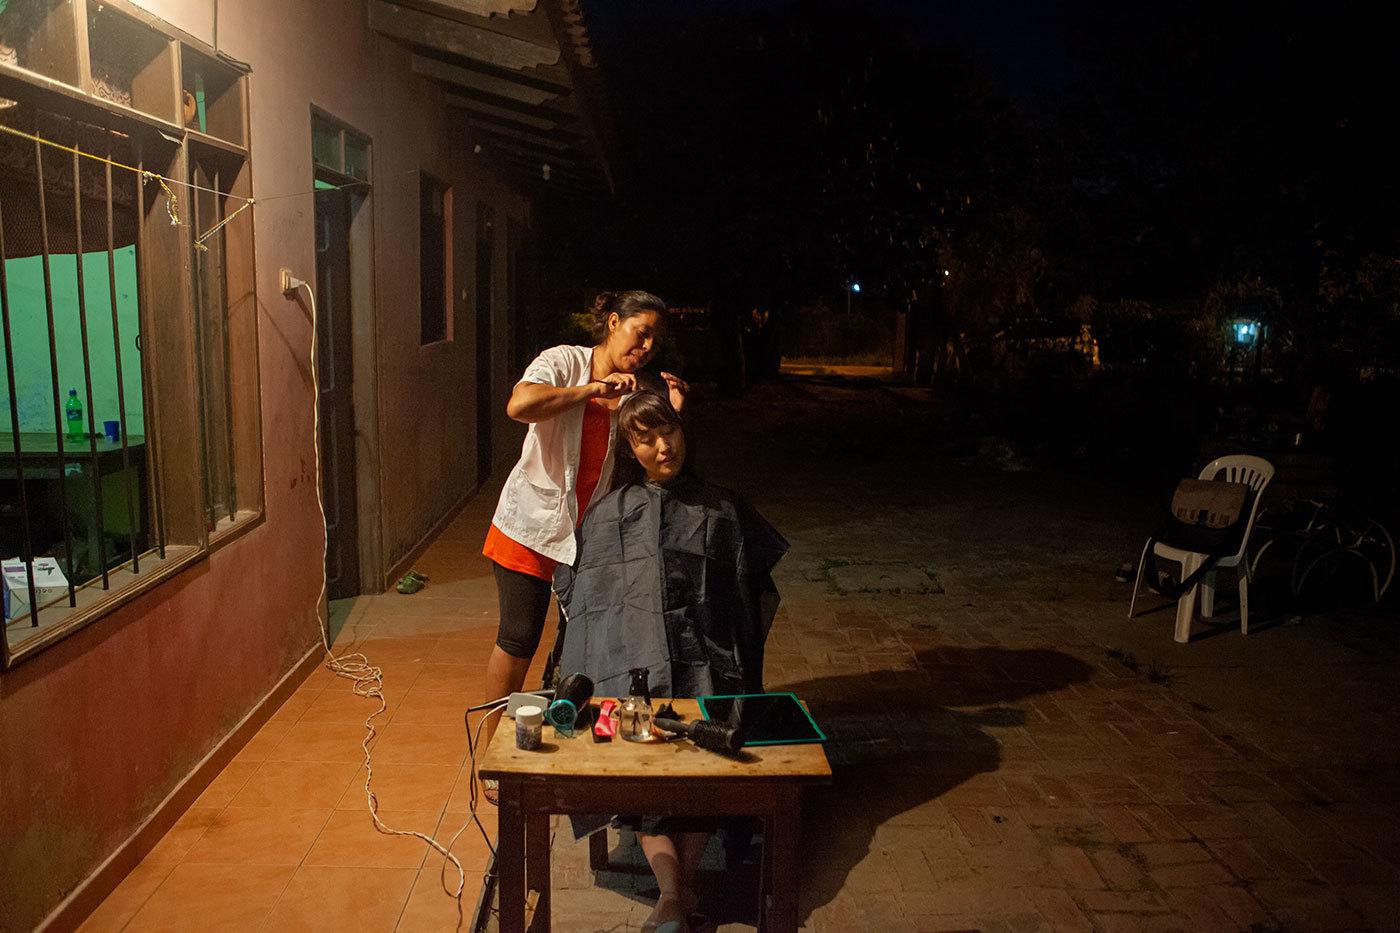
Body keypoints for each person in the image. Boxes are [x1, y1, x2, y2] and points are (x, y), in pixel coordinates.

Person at [554, 391, 788, 933]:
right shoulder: (607, 514)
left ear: (685, 430)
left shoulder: (721, 507)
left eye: (671, 432)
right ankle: (676, 891)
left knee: (709, 750)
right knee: (643, 756)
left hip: (708, 662)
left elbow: (748, 598)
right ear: (628, 447)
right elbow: (588, 609)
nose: (663, 447)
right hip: (634, 676)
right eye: (645, 438)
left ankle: (674, 900)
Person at [481, 291, 687, 756]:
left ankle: (560, 733)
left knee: (582, 640)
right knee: (518, 638)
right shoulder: (563, 361)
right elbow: (520, 405)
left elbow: (656, 456)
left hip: (589, 534)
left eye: (656, 338)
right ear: (614, 323)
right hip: (530, 527)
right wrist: (592, 391)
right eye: (642, 332)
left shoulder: (637, 387)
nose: (648, 345)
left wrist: (671, 409)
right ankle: (494, 745)